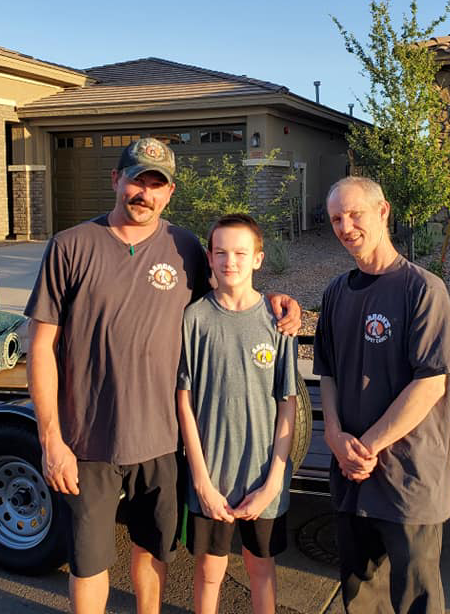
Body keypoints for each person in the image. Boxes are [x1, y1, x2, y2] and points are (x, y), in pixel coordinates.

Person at [24, 138, 300, 614]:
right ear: (116, 179)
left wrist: (278, 301)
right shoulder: (70, 246)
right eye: (136, 179)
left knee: (152, 552)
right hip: (88, 441)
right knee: (89, 564)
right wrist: (52, 441)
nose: (144, 192)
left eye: (157, 184)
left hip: (161, 442)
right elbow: (40, 347)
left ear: (169, 193)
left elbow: (231, 298)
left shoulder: (185, 247)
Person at [314, 176, 450, 614]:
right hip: (351, 475)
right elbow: (327, 372)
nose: (345, 226)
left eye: (355, 214)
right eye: (336, 218)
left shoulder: (423, 289)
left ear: (383, 212)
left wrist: (367, 447)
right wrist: (334, 436)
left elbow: (430, 381)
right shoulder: (335, 293)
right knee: (360, 593)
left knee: (416, 595)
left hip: (408, 476)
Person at [176, 214, 298, 614]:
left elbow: (288, 404)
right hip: (212, 480)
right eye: (221, 252)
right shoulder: (194, 320)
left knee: (260, 568)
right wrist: (202, 483)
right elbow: (184, 402)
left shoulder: (278, 323)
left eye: (241, 253)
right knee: (210, 570)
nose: (231, 261)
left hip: (262, 479)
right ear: (209, 258)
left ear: (258, 259)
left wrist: (273, 483)